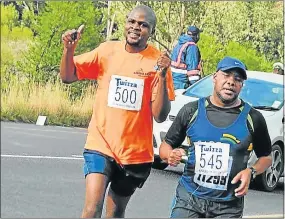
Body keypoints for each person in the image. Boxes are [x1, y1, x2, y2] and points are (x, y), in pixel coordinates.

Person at [60, 5, 175, 218]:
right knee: (92, 208)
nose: (135, 27)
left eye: (143, 25)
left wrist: (161, 75)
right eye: (131, 22)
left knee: (115, 212)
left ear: (152, 32)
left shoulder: (158, 62)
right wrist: (69, 50)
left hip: (135, 153)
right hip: (100, 143)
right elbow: (68, 77)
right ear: (125, 23)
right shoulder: (107, 51)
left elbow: (159, 115)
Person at [159, 56, 272, 218]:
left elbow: (266, 157)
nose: (231, 82)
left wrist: (251, 172)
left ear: (241, 86)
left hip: (228, 206)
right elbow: (166, 145)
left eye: (237, 79)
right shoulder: (191, 111)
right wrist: (169, 155)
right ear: (214, 77)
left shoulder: (253, 118)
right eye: (226, 75)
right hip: (189, 198)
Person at [171, 26, 203, 90]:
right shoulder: (192, 47)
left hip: (172, 83)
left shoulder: (179, 44)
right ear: (196, 36)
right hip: (182, 85)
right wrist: (196, 88)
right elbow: (192, 70)